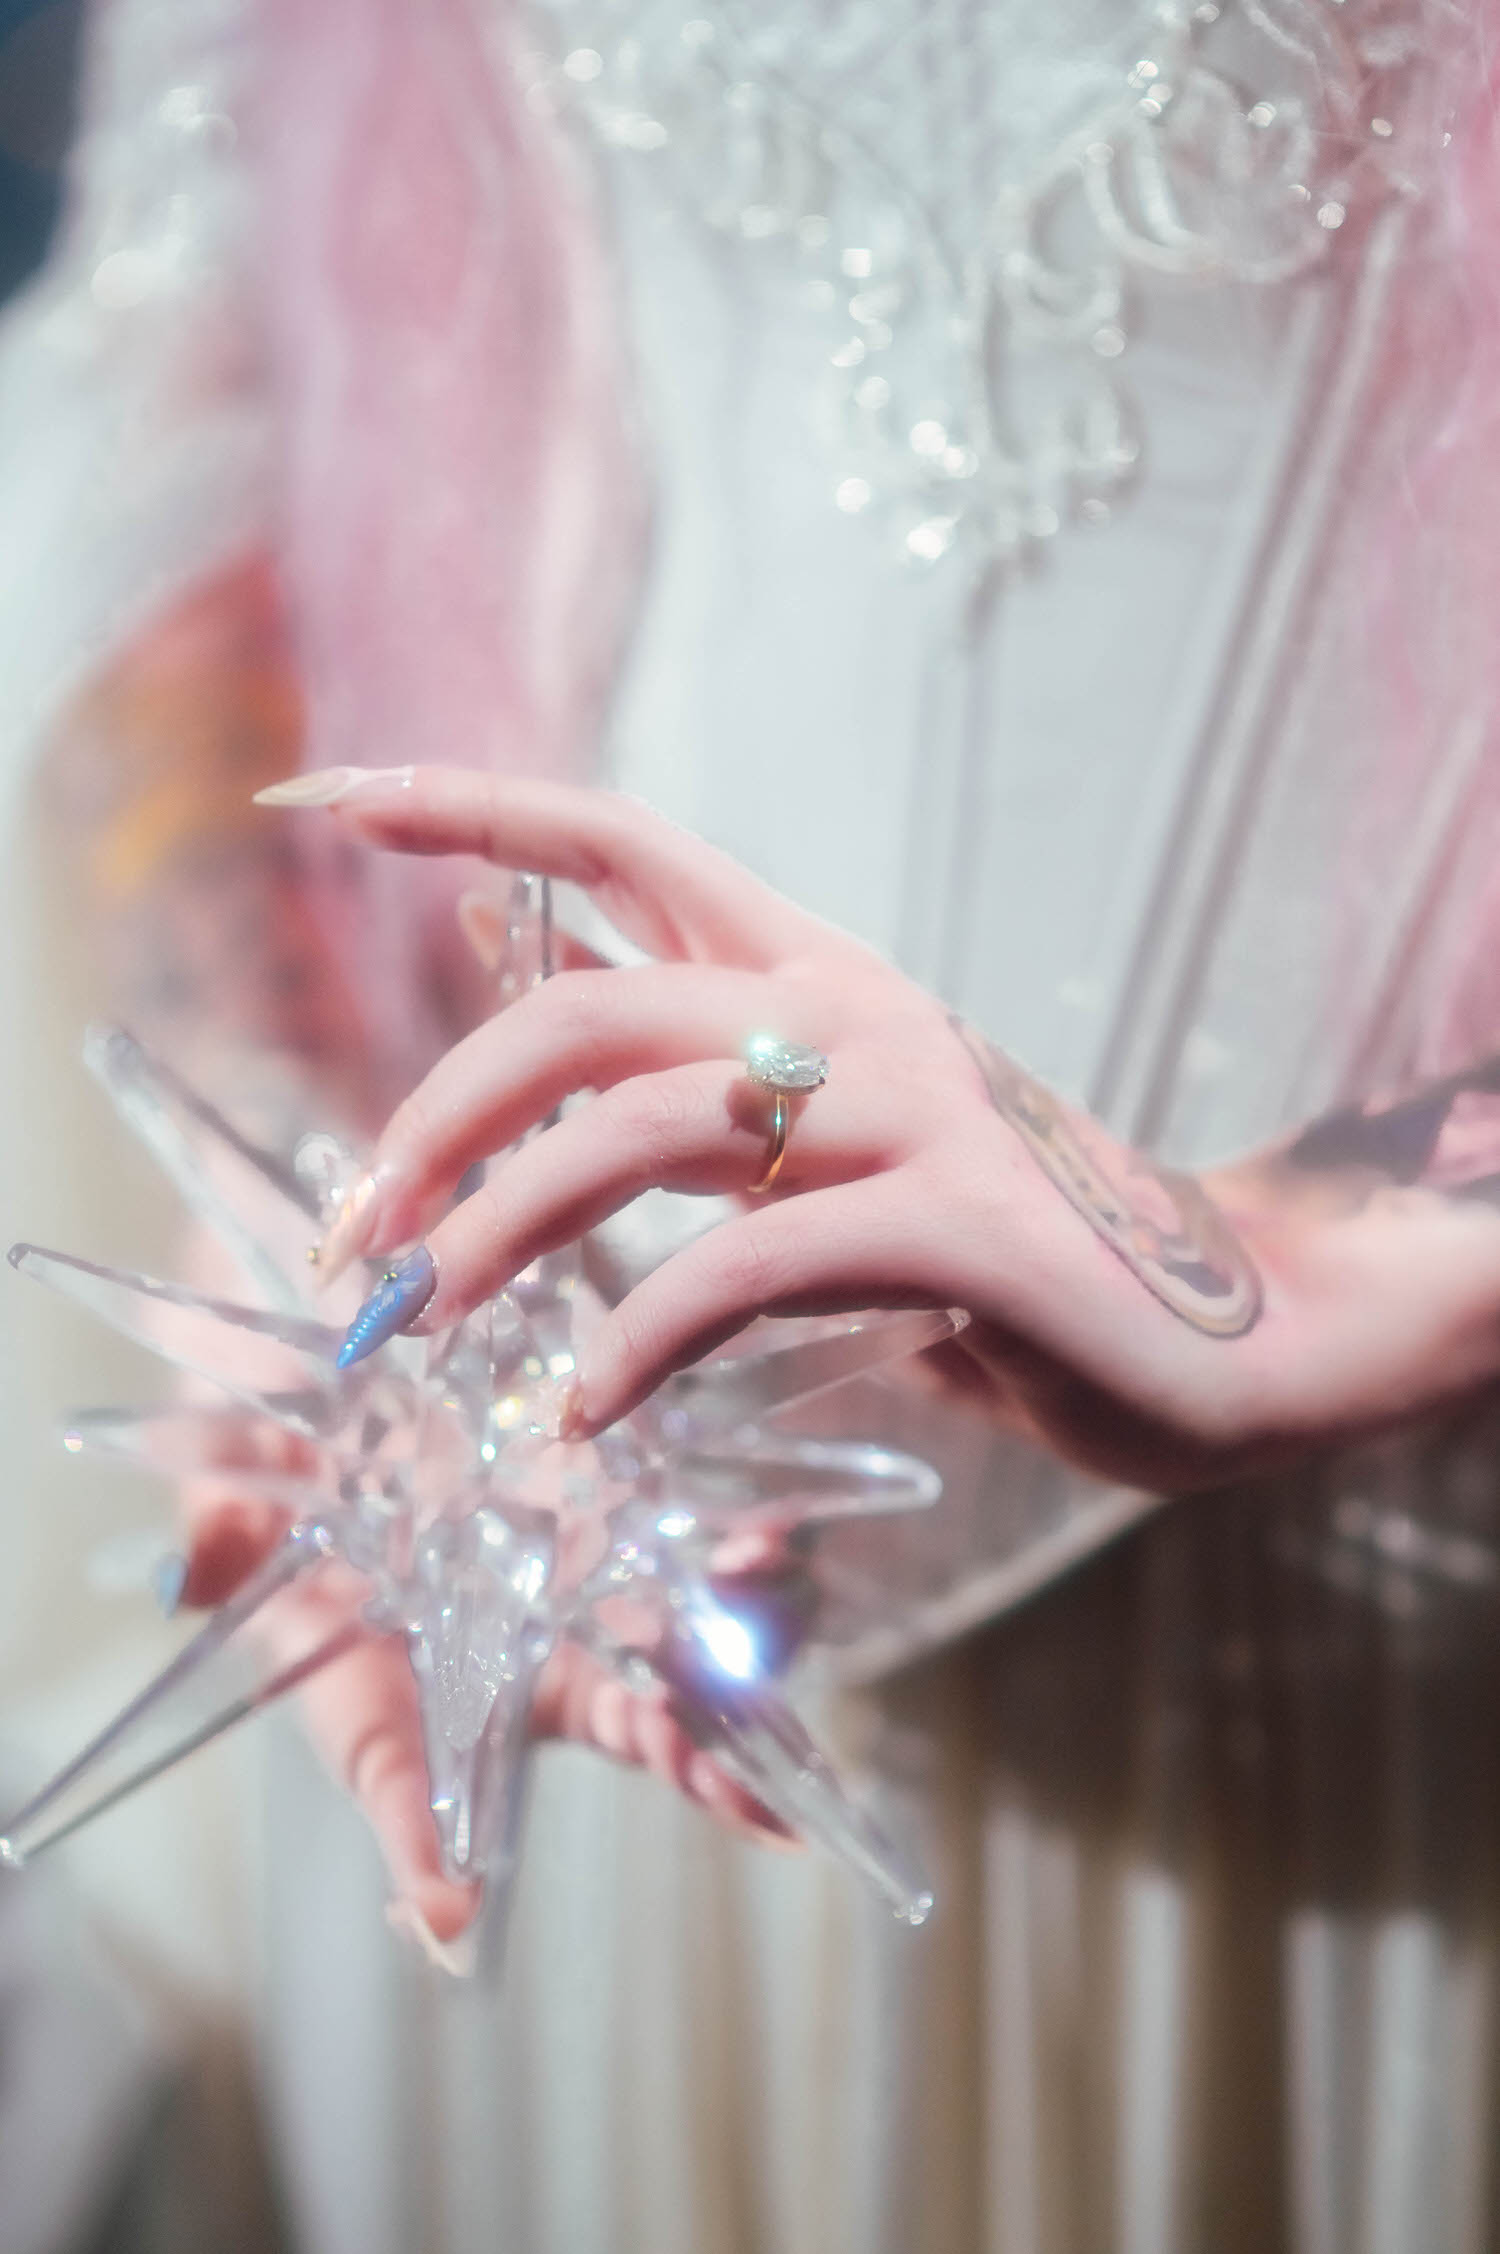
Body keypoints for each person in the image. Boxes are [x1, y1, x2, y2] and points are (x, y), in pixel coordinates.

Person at [8, 0, 1500, 2250]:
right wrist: (315, 1177)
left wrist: (1296, 1242)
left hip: (1396, 1648)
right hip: (553, 1572)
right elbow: (188, 407)